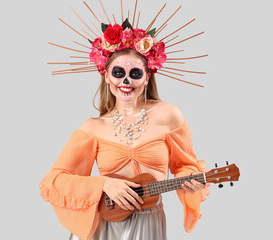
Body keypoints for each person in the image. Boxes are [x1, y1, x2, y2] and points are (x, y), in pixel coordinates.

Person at [39, 16, 210, 240]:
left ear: (147, 77)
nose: (126, 81)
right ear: (107, 77)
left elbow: (186, 166)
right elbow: (53, 180)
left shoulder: (169, 116)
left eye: (135, 73)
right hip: (103, 226)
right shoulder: (93, 128)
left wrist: (190, 182)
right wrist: (104, 184)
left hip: (149, 223)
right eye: (118, 73)